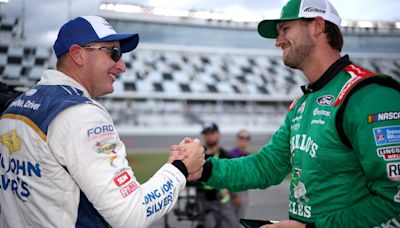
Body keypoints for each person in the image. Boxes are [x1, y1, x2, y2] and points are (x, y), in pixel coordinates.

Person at [197, 0, 400, 227]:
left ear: (317, 26)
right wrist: (203, 168)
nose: (277, 41)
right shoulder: (302, 104)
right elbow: (266, 166)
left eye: (285, 29)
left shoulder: (370, 96)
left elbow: (394, 199)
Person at [0, 15, 205, 228]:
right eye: (114, 53)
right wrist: (180, 169)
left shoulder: (15, 107)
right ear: (78, 54)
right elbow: (131, 215)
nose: (122, 66)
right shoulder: (80, 114)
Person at [197, 122, 237, 228]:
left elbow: (234, 179)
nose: (209, 136)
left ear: (218, 134)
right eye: (206, 133)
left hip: (223, 201)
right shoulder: (198, 155)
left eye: (212, 133)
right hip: (203, 200)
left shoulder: (226, 156)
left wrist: (235, 196)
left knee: (231, 225)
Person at [229, 130, 251, 219]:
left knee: (239, 219)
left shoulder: (248, 157)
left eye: (247, 138)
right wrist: (234, 195)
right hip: (231, 192)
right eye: (241, 137)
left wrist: (245, 196)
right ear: (237, 140)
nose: (244, 140)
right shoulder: (230, 155)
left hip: (243, 191)